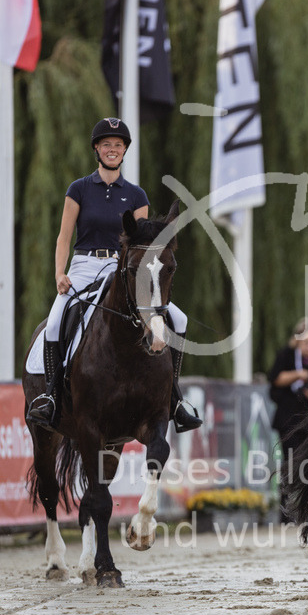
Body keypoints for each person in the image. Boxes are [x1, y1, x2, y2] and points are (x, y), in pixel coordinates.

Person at [25, 117, 202, 433]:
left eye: (118, 145)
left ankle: (174, 397)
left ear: (124, 150)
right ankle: (51, 396)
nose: (112, 149)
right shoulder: (78, 189)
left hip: (122, 268)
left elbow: (143, 245)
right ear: (96, 148)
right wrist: (59, 273)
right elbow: (64, 237)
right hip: (84, 265)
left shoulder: (136, 195)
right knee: (54, 321)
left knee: (180, 318)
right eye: (106, 144)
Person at [268, 317, 308, 522]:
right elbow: (275, 379)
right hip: (288, 420)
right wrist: (299, 375)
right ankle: (285, 513)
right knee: (289, 463)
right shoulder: (286, 356)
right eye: (305, 342)